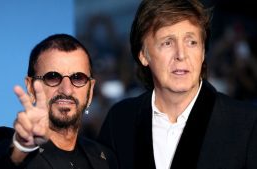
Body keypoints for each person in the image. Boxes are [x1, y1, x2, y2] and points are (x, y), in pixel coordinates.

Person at [98, 0, 257, 169]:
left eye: (191, 42)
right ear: (143, 55)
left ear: (203, 52)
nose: (181, 55)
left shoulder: (246, 123)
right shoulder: (120, 121)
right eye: (167, 42)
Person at [0, 34, 118, 169]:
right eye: (53, 77)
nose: (66, 90)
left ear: (90, 90)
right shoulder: (12, 148)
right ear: (31, 87)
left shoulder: (105, 157)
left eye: (78, 78)